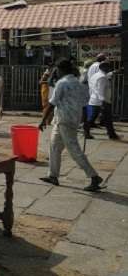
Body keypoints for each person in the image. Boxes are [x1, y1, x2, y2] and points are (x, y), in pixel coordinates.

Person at [38, 58, 103, 192]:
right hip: (72, 119)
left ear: (61, 70)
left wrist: (42, 120)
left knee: (74, 150)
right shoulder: (78, 83)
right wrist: (85, 123)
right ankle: (53, 175)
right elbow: (85, 105)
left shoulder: (62, 83)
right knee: (54, 146)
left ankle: (94, 176)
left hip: (65, 120)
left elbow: (52, 103)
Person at [85, 62, 120, 140]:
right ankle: (112, 134)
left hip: (94, 100)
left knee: (91, 118)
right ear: (104, 68)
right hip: (101, 101)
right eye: (108, 67)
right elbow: (100, 91)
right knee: (107, 119)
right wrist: (103, 102)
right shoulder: (102, 78)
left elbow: (106, 77)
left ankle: (86, 133)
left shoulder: (96, 75)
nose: (109, 69)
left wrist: (114, 72)